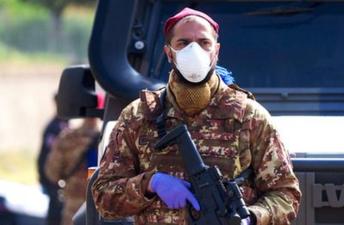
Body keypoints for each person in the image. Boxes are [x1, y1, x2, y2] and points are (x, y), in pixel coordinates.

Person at [92, 7, 301, 225]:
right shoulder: (138, 116)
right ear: (169, 52)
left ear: (216, 51)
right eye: (183, 43)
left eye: (204, 43)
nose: (195, 50)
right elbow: (103, 197)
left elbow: (286, 195)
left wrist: (250, 218)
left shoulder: (250, 117)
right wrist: (150, 184)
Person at [45, 117, 100, 225]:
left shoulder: (68, 137)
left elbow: (52, 172)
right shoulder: (113, 137)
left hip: (73, 210)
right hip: (102, 211)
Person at [37, 94, 69, 225]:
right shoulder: (56, 127)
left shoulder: (61, 124)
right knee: (56, 211)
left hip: (56, 176)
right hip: (53, 177)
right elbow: (48, 155)